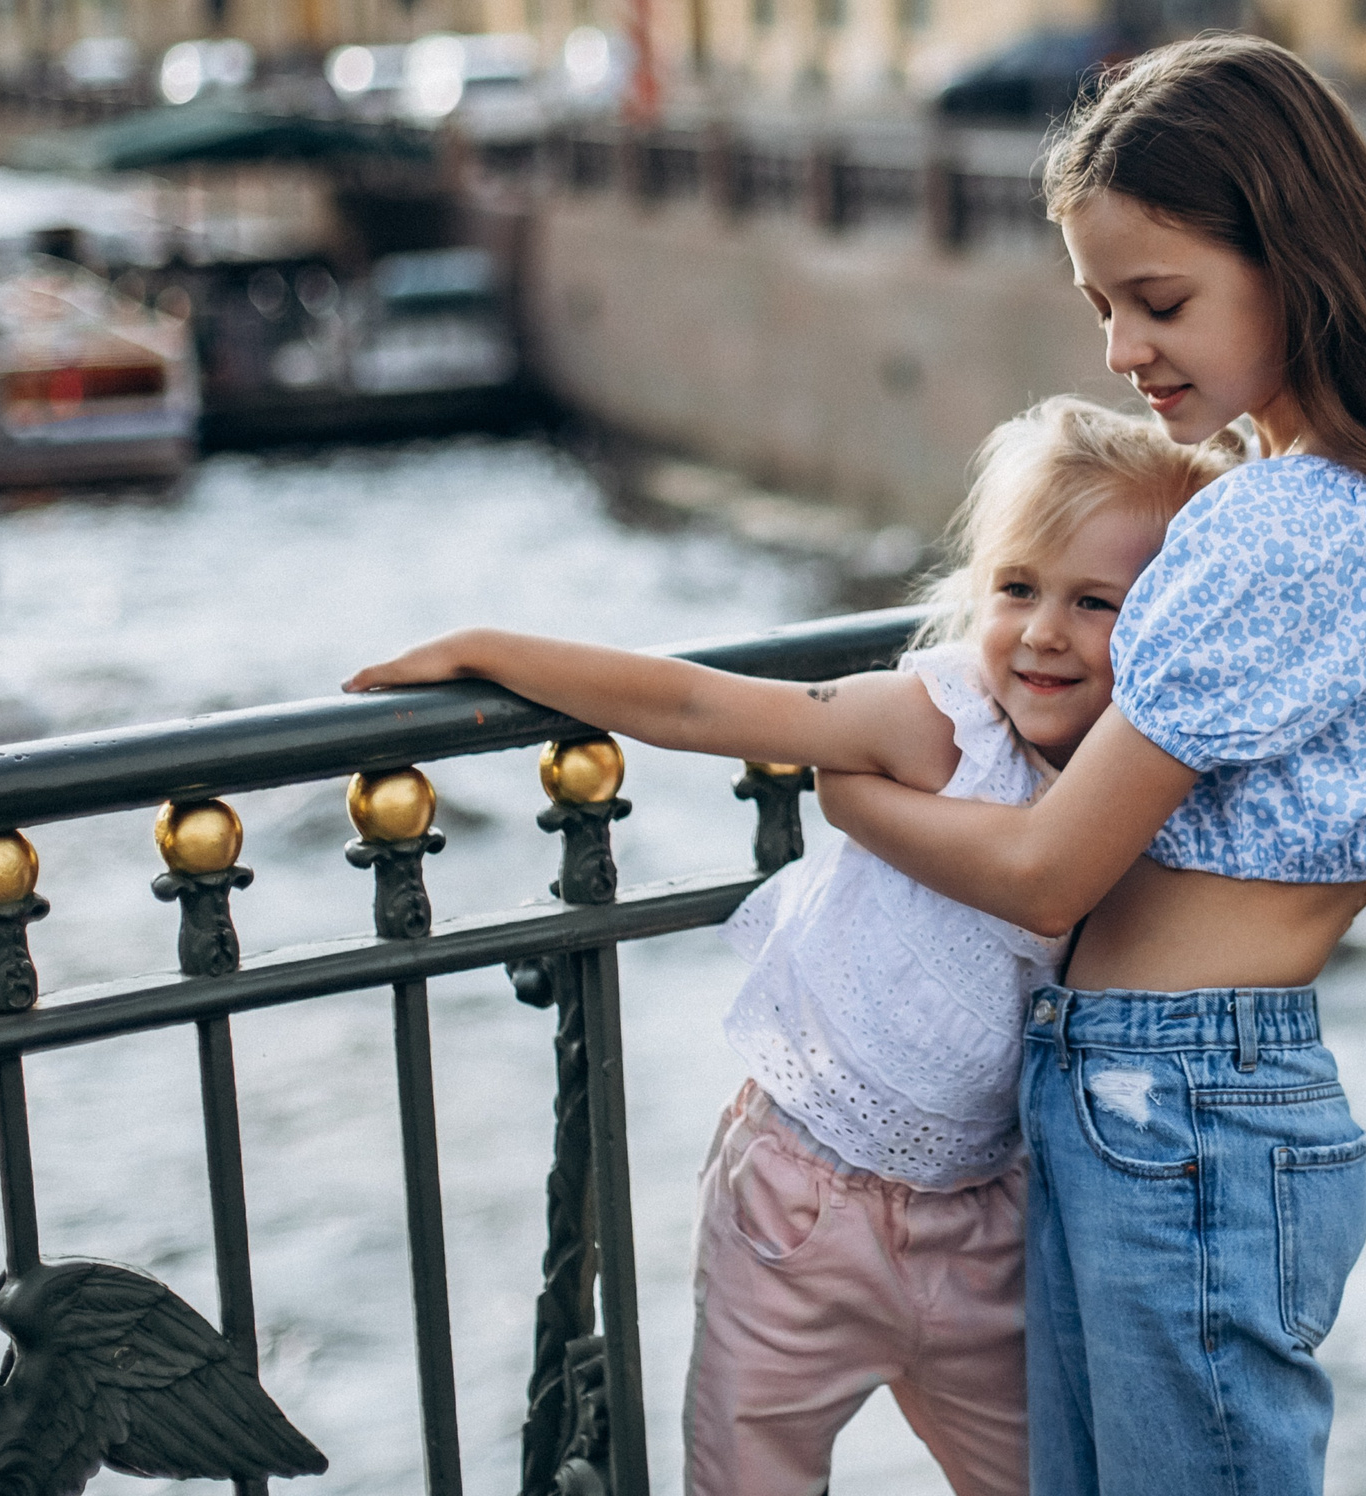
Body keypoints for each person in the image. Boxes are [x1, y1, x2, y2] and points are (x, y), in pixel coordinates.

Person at [814, 35, 1366, 1496]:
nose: (1124, 350)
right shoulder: (1343, 504)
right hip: (1176, 1102)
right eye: (1102, 307)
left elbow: (1050, 867)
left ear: (1299, 261)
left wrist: (852, 793)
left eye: (1162, 301)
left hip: (1173, 1111)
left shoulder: (1282, 528)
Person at [344, 396, 1236, 1496]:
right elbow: (694, 702)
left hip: (991, 1215)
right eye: (1016, 586)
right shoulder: (937, 724)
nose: (1042, 630)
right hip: (799, 1203)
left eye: (1094, 601)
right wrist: (487, 645)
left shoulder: (1139, 783)